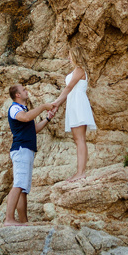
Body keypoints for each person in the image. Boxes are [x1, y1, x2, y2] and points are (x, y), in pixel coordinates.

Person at [4, 84, 57, 226]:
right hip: (21, 149)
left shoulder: (23, 109)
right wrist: (43, 107)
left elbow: (34, 129)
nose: (26, 91)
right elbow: (26, 118)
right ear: (18, 95)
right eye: (23, 90)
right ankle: (9, 219)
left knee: (23, 188)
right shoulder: (15, 108)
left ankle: (24, 222)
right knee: (18, 184)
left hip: (26, 150)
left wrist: (48, 118)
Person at [51, 46, 96, 181]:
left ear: (75, 55)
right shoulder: (77, 70)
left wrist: (56, 103)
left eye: (70, 55)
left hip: (78, 104)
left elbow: (69, 87)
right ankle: (79, 171)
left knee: (80, 139)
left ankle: (81, 172)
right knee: (78, 139)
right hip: (74, 103)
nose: (68, 58)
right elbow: (69, 89)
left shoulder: (79, 70)